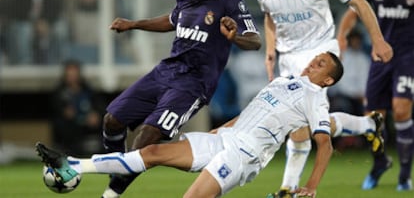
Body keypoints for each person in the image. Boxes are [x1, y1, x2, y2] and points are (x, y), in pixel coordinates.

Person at [37, 52, 344, 198]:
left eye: (320, 65)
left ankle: (76, 166)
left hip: (244, 154)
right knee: (154, 151)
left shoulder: (315, 98)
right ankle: (75, 165)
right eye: (315, 59)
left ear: (328, 79)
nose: (312, 63)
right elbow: (254, 111)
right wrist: (218, 129)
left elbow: (325, 143)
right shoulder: (283, 81)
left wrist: (312, 186)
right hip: (225, 137)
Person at [101, 0, 261, 198]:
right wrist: (133, 24)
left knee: (145, 139)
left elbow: (255, 41)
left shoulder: (229, 1)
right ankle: (116, 168)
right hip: (166, 71)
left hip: (193, 84)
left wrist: (235, 38)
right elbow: (172, 20)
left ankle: (111, 193)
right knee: (112, 120)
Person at [252, 0, 394, 196]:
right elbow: (269, 18)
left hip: (320, 53)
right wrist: (271, 51)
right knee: (306, 123)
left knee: (297, 125)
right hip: (289, 58)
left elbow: (360, 3)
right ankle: (367, 124)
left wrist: (378, 40)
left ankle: (287, 189)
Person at [337, 0, 414, 191]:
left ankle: (404, 175)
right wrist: (342, 35)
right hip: (380, 57)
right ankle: (380, 162)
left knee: (402, 109)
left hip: (408, 56)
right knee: (373, 118)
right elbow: (354, 8)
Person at [50, 59, 106, 156]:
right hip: (70, 132)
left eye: (74, 73)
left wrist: (95, 115)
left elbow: (99, 107)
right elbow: (63, 113)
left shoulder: (88, 91)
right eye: (70, 74)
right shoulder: (59, 93)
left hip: (89, 128)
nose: (72, 77)